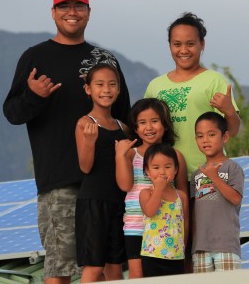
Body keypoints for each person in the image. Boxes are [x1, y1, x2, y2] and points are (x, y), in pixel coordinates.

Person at [3, 0, 131, 284]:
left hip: (107, 183)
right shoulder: (35, 57)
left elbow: (125, 119)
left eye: (79, 6)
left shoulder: (105, 60)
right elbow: (12, 113)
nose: (71, 12)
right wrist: (34, 95)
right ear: (53, 12)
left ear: (88, 13)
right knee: (60, 270)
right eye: (64, 6)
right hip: (61, 182)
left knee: (103, 269)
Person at [144, 12, 241, 181]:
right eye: (177, 44)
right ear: (169, 46)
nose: (183, 50)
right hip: (166, 177)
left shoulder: (214, 80)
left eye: (190, 44)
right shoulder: (155, 86)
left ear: (202, 44)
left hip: (208, 173)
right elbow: (143, 130)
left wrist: (230, 112)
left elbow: (232, 131)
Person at [114, 98, 188, 278]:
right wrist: (120, 156)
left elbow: (182, 192)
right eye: (142, 122)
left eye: (154, 121)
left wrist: (184, 235)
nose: (149, 127)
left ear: (165, 124)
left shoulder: (175, 155)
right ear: (135, 128)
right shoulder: (131, 153)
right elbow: (125, 185)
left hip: (167, 227)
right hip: (136, 224)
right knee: (137, 274)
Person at [75, 63, 128, 282]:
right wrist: (89, 141)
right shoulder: (85, 123)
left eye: (112, 84)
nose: (106, 90)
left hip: (119, 201)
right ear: (88, 89)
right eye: (100, 84)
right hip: (93, 202)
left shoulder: (124, 127)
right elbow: (85, 167)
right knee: (94, 267)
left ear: (118, 89)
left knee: (115, 269)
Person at [191, 112, 244, 272]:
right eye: (200, 136)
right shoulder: (196, 174)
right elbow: (194, 212)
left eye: (211, 134)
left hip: (226, 244)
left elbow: (235, 198)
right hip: (200, 246)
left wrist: (215, 177)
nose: (205, 140)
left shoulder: (232, 168)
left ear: (225, 137)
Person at [139, 143, 189, 277]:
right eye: (156, 167)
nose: (162, 172)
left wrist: (182, 249)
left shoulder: (181, 196)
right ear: (147, 171)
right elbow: (150, 211)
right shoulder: (146, 193)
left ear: (176, 169)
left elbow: (185, 224)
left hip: (176, 255)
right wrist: (159, 189)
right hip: (153, 254)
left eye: (167, 167)